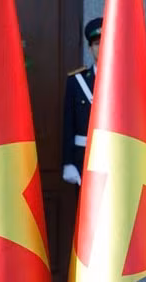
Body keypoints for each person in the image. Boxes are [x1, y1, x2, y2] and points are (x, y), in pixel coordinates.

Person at [61, 17, 102, 186]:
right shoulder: (77, 81)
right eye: (97, 43)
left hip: (116, 158)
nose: (101, 47)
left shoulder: (123, 81)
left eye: (105, 42)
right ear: (90, 48)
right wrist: (68, 162)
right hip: (83, 159)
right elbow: (68, 124)